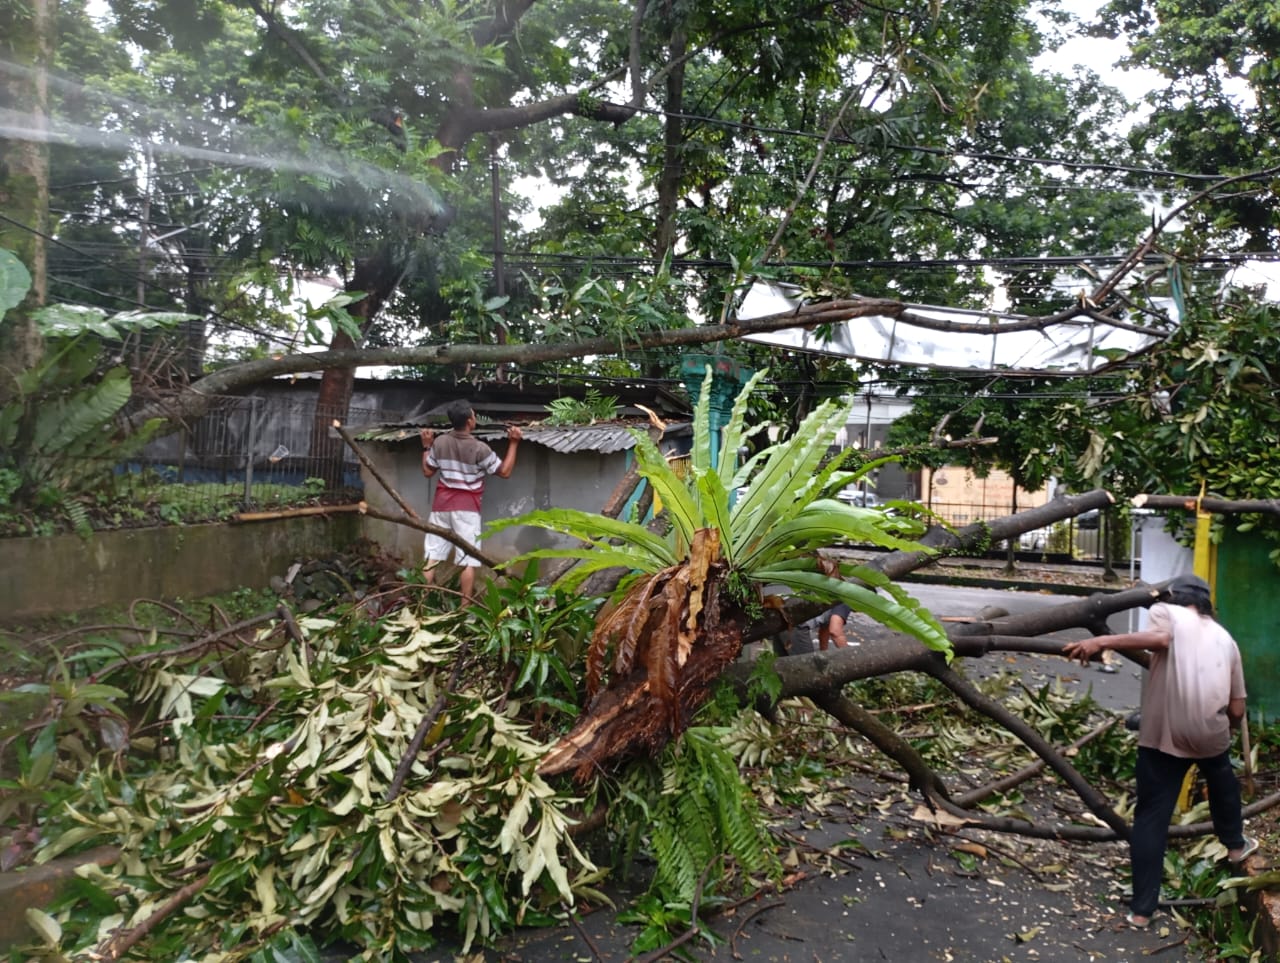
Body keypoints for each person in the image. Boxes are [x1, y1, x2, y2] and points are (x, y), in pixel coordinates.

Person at [1061, 573, 1256, 928]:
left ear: (1175, 599)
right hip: (1211, 732)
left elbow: (1160, 639)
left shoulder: (1168, 612)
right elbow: (1238, 710)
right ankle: (1236, 845)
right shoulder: (1226, 639)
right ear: (1206, 605)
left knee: (1152, 818)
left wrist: (1103, 640)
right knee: (1221, 776)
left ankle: (1141, 911)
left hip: (1165, 735)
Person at [420, 400, 522, 605]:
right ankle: (465, 610)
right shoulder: (479, 448)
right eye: (474, 416)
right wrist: (514, 443)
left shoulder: (439, 442)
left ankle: (422, 604)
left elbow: (427, 471)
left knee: (431, 557)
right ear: (469, 421)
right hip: (467, 509)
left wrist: (426, 447)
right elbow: (505, 472)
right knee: (467, 560)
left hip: (441, 506)